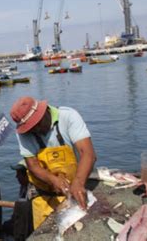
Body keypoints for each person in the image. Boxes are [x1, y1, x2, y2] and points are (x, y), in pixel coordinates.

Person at [9, 96, 96, 229]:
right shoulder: (23, 132)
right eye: (30, 128)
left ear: (44, 112)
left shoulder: (68, 116)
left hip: (75, 191)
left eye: (36, 124)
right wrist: (52, 179)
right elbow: (32, 165)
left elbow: (88, 154)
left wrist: (78, 182)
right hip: (43, 197)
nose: (35, 130)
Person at [2, 160, 33, 240]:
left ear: (27, 175)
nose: (16, 177)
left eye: (18, 174)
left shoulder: (33, 190)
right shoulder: (23, 187)